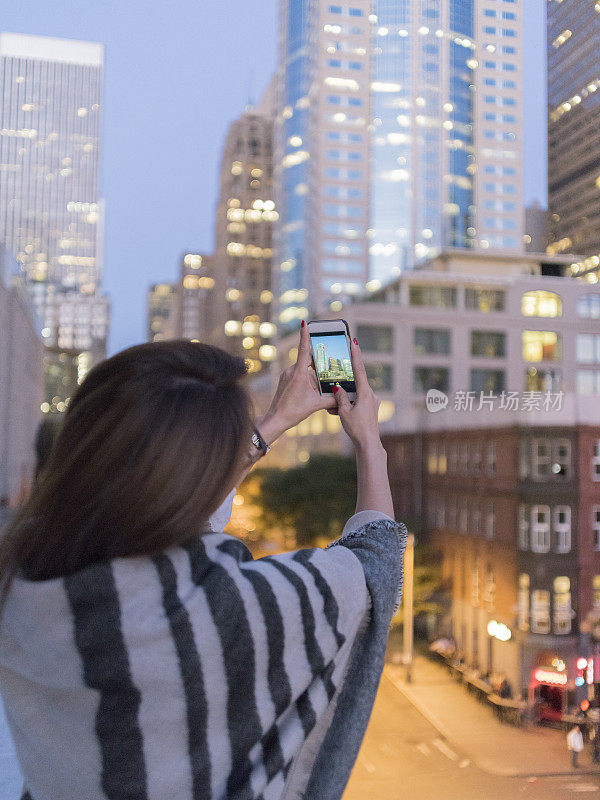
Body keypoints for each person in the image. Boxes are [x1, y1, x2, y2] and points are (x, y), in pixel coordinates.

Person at [0, 323, 407, 800]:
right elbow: (375, 560)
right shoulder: (225, 612)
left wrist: (273, 422)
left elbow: (173, 512)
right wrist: (369, 442)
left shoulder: (24, 579)